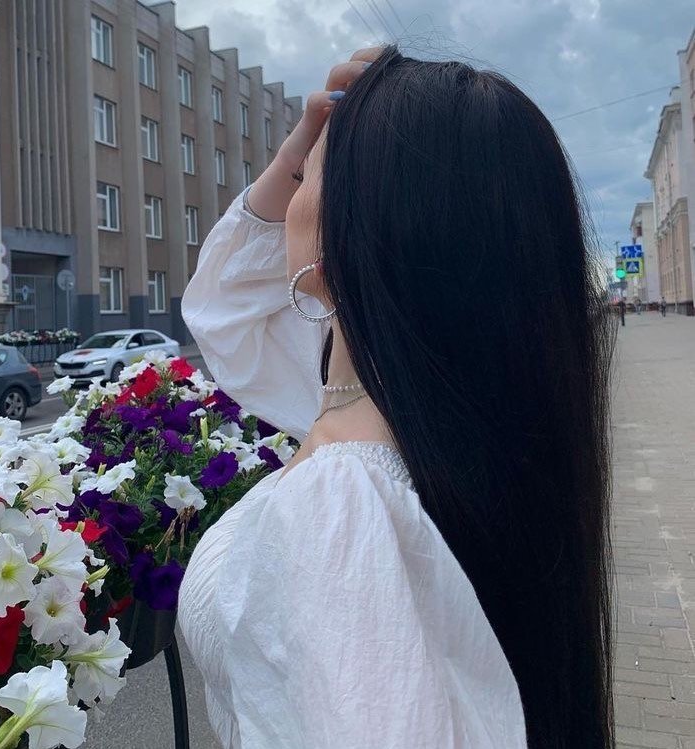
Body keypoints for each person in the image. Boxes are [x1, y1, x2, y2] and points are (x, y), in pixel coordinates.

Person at [179, 46, 615, 749]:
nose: (291, 189)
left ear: (349, 230)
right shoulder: (435, 408)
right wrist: (306, 148)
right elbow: (227, 313)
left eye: (308, 175)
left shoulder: (341, 507)